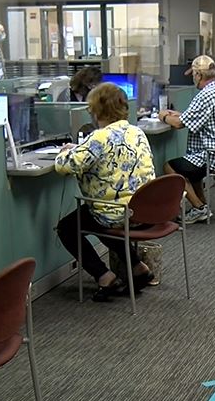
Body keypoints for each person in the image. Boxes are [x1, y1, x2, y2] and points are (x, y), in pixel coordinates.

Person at [55, 83, 156, 301]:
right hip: (145, 213)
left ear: (96, 109)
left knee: (68, 227)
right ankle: (138, 268)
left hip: (117, 213)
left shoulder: (99, 138)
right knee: (107, 218)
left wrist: (65, 151)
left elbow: (64, 166)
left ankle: (104, 276)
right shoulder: (136, 132)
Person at [158, 54, 215, 224]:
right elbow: (200, 117)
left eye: (194, 75)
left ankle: (198, 208)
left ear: (199, 75)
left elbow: (179, 125)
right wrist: (181, 115)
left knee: (169, 166)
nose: (193, 79)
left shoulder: (205, 95)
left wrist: (163, 116)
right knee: (192, 169)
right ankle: (202, 205)